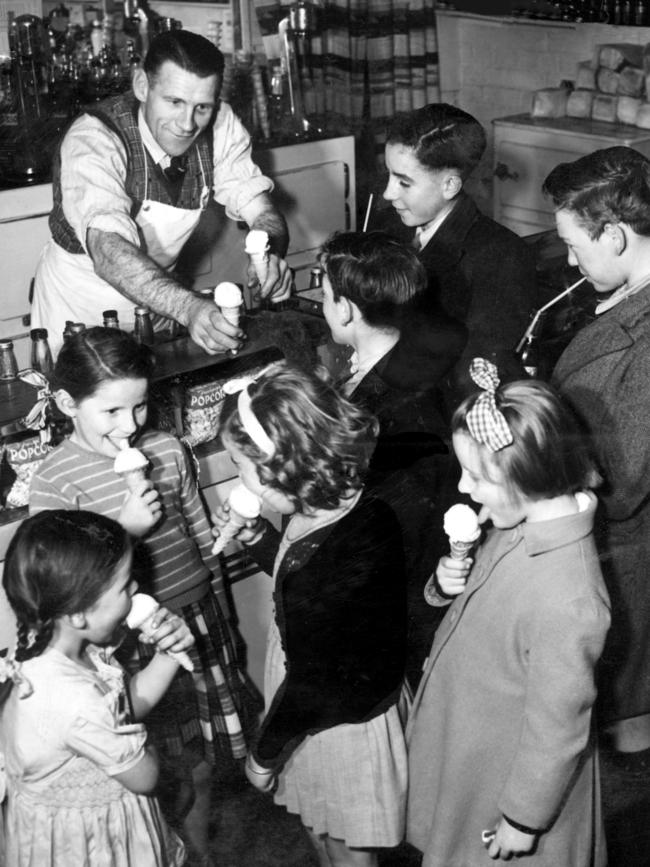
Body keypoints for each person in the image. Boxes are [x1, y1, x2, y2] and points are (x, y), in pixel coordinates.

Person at [28, 326, 255, 865]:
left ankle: (196, 853)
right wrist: (122, 530)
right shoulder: (54, 482)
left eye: (139, 407)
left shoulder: (166, 448)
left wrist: (221, 609)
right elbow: (61, 584)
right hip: (123, 644)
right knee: (152, 764)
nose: (130, 426)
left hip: (194, 616)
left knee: (201, 759)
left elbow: (201, 537)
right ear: (67, 404)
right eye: (110, 412)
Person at [406, 359, 610, 866]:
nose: (463, 487)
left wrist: (523, 817)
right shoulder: (515, 520)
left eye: (477, 476)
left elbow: (557, 726)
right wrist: (442, 584)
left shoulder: (571, 599)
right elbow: (476, 602)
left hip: (507, 779)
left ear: (529, 476)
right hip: (471, 743)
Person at [212, 361, 409, 867]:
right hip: (321, 704)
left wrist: (263, 754)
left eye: (241, 467)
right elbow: (294, 571)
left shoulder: (325, 560)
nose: (240, 481)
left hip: (335, 723)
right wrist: (257, 538)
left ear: (282, 469)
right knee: (324, 829)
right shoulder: (343, 508)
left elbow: (312, 683)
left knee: (347, 846)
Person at [31, 29, 292, 356]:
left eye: (202, 107)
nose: (187, 123)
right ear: (142, 85)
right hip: (79, 309)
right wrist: (189, 308)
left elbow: (261, 210)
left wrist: (270, 251)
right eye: (174, 102)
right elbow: (107, 249)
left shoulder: (221, 126)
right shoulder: (95, 137)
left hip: (159, 305)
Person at [0, 509, 193, 866]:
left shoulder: (59, 644)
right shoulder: (71, 698)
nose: (135, 588)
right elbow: (145, 776)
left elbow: (122, 707)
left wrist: (169, 655)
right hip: (88, 840)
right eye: (123, 586)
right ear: (78, 614)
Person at [318, 229, 467, 685]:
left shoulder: (392, 411)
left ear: (345, 309)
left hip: (386, 627)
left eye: (324, 294)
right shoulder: (402, 365)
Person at [543, 146, 650, 763]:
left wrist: (533, 440)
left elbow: (627, 483)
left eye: (574, 243)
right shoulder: (624, 299)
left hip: (626, 564)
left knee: (619, 744)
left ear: (612, 234)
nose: (568, 258)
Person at [381, 103, 537, 403]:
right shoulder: (389, 225)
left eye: (403, 182)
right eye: (388, 175)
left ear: (450, 185)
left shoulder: (502, 257)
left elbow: (477, 378)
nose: (388, 193)